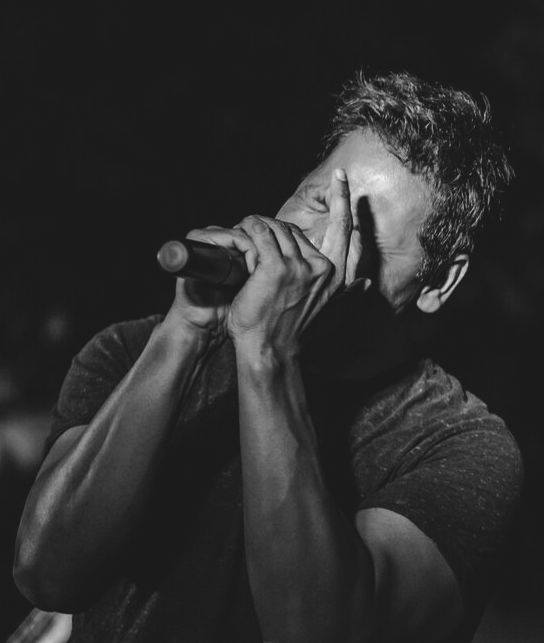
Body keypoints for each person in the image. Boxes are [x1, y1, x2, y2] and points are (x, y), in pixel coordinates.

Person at [13, 72, 522, 642]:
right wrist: (185, 333)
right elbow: (47, 575)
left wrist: (269, 353)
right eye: (317, 201)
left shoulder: (461, 446)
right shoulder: (130, 349)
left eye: (362, 231)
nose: (316, 238)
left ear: (440, 283)